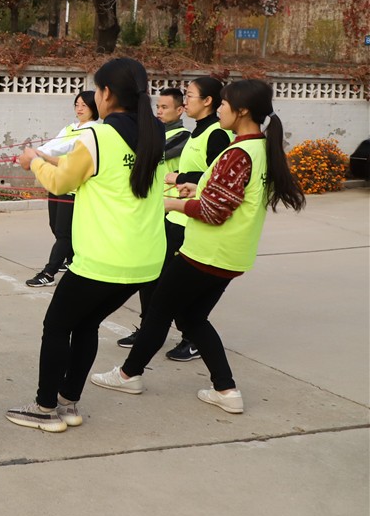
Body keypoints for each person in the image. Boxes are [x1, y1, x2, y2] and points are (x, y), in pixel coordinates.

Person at [91, 79, 306, 414]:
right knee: (192, 318)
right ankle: (226, 389)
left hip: (206, 252)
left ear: (242, 111)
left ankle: (128, 374)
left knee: (159, 311)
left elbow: (214, 212)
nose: (220, 109)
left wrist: (171, 204)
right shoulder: (261, 148)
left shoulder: (238, 153)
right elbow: (234, 198)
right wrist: (199, 188)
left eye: (224, 104)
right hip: (232, 255)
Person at [5, 57, 166, 433]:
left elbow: (60, 182)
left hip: (103, 259)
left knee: (56, 325)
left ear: (106, 94)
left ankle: (45, 407)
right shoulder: (154, 134)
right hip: (144, 261)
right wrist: (46, 159)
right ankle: (68, 403)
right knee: (87, 323)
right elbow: (92, 174)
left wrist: (32, 162)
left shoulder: (96, 136)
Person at [119, 76, 232, 355]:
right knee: (152, 276)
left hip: (191, 220)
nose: (187, 100)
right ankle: (149, 329)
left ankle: (191, 338)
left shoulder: (217, 134)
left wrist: (179, 177)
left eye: (190, 95)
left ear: (208, 101)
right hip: (174, 215)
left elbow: (218, 179)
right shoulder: (198, 131)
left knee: (173, 285)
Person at [24, 91, 99, 287]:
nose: (79, 109)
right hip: (57, 182)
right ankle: (72, 259)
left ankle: (49, 273)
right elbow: (54, 144)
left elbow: (62, 148)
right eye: (77, 104)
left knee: (63, 233)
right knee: (55, 226)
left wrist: (37, 156)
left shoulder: (93, 131)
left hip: (72, 187)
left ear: (94, 107)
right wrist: (36, 154)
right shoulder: (70, 128)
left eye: (84, 105)